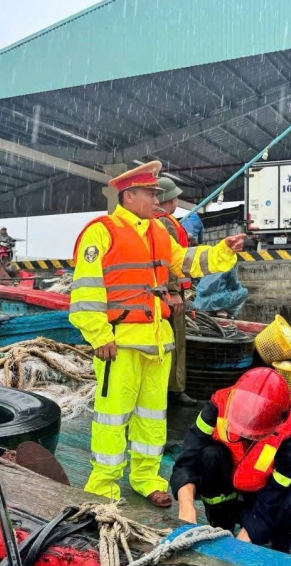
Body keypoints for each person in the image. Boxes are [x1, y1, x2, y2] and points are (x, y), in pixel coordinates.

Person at [69, 160, 246, 508]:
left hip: (157, 343)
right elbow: (86, 292)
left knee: (152, 416)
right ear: (129, 195)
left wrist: (223, 251)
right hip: (119, 344)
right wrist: (99, 336)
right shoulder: (101, 232)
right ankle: (103, 485)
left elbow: (186, 262)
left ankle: (146, 478)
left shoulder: (158, 233)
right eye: (150, 193)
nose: (157, 199)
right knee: (112, 418)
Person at [171, 368, 291, 553]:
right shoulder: (218, 406)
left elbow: (275, 492)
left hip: (261, 495)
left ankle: (280, 545)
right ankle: (221, 524)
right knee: (209, 456)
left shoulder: (290, 438)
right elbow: (188, 459)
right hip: (226, 487)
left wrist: (249, 533)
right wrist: (186, 508)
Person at [153, 176, 197, 407]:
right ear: (170, 199)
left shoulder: (158, 222)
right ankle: (174, 389)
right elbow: (167, 260)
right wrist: (173, 291)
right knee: (175, 341)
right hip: (169, 293)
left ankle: (166, 387)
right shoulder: (166, 223)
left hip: (161, 292)